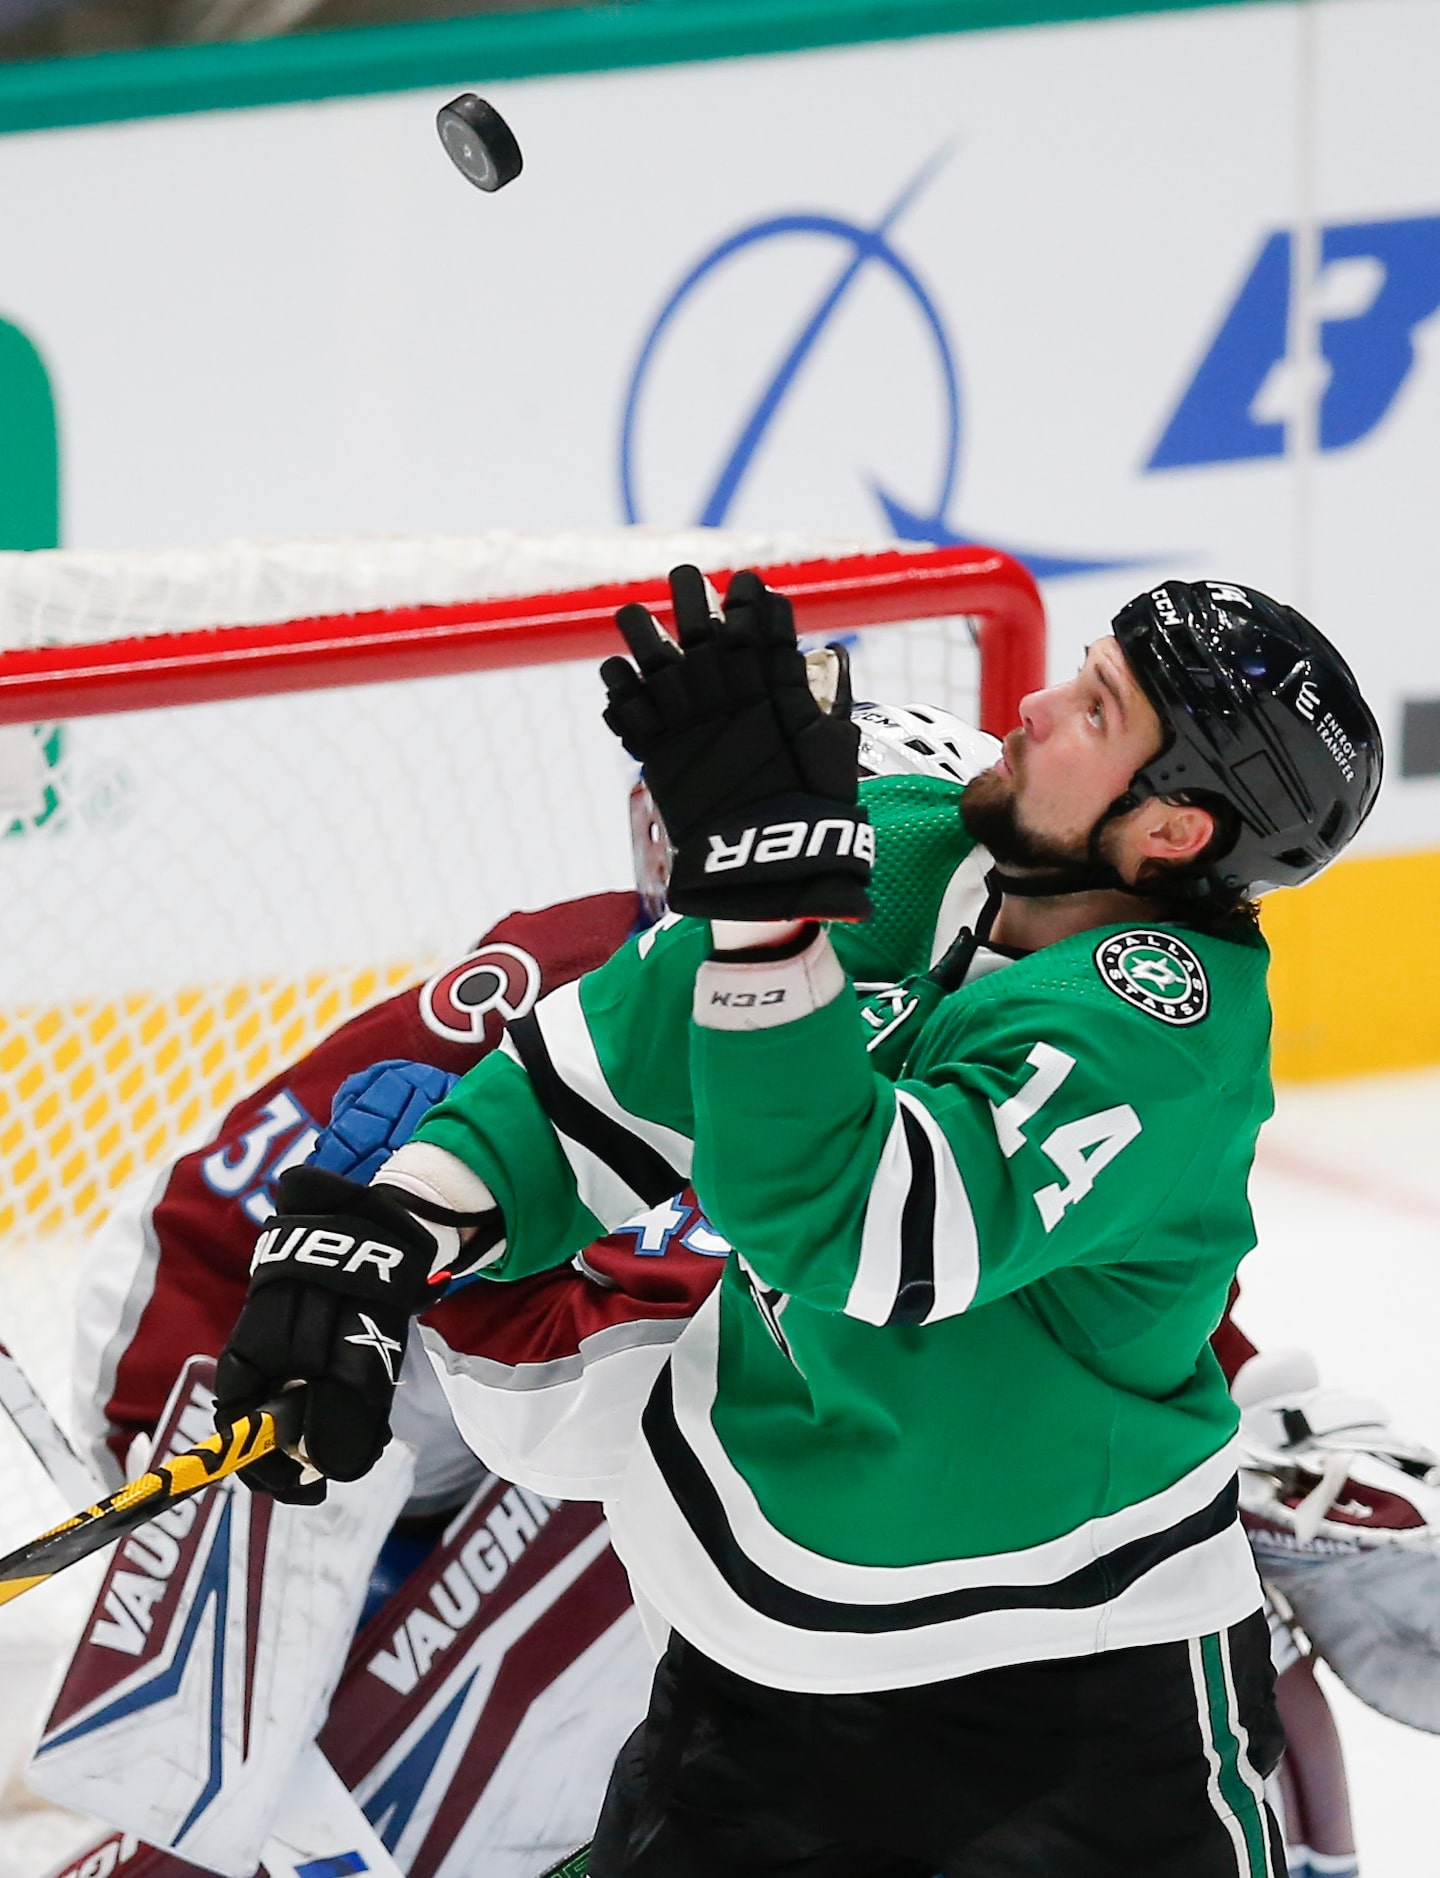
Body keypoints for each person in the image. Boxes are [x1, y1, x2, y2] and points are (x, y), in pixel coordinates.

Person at [211, 564, 1383, 1876]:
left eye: (1096, 710)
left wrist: (765, 925)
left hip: (1086, 1696)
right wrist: (391, 1232)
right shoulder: (911, 847)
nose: (1035, 707)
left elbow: (857, 1230)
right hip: (761, 1662)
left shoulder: (1163, 1028)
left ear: (1170, 832)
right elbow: (603, 1075)